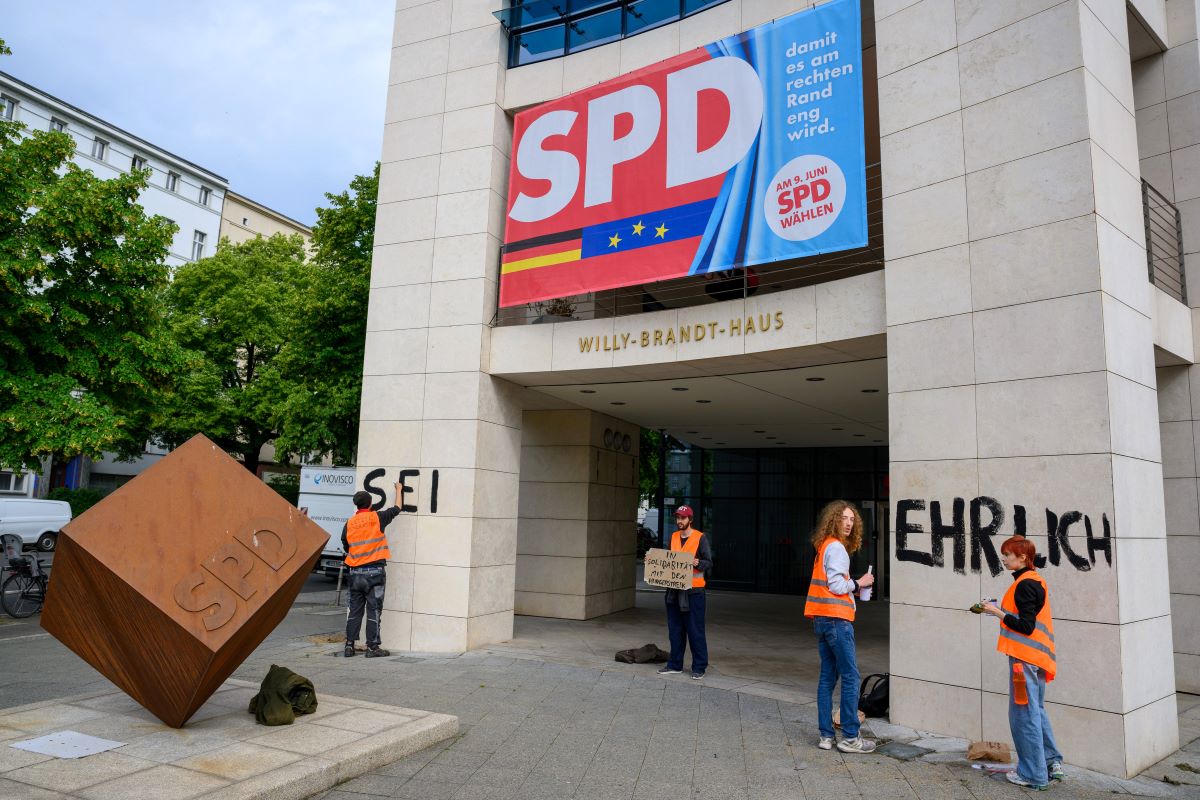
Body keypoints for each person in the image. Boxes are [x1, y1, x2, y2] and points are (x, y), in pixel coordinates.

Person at [981, 536, 1065, 789]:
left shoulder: (1025, 584)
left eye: (1008, 555)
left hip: (1024, 660)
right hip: (1036, 659)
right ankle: (1051, 763)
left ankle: (1032, 775)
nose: (1004, 559)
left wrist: (997, 612)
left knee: (1024, 715)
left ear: (1023, 558)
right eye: (1004, 554)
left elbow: (1026, 626)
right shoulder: (1034, 580)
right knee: (1036, 710)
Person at [804, 500, 876, 753]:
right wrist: (859, 583)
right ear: (833, 520)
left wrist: (851, 590)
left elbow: (829, 586)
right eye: (844, 518)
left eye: (851, 519)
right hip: (836, 621)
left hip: (822, 619)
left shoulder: (823, 546)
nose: (848, 523)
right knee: (850, 677)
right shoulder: (837, 548)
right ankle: (849, 737)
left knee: (827, 678)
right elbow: (836, 585)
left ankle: (825, 736)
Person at [341, 483, 402, 658]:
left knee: (354, 611)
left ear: (357, 505)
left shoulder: (350, 523)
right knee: (374, 610)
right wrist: (399, 489)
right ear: (369, 504)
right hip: (374, 573)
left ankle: (349, 646)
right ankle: (372, 648)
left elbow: (346, 545)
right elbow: (397, 508)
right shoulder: (377, 517)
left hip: (355, 574)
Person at [656, 505, 712, 680]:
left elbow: (708, 563)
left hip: (694, 593)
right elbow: (668, 560)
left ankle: (699, 667)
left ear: (690, 519)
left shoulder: (700, 538)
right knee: (675, 630)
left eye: (683, 518)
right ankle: (674, 664)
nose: (680, 521)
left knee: (695, 631)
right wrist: (653, 562)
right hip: (673, 592)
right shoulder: (673, 537)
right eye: (678, 518)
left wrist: (697, 563)